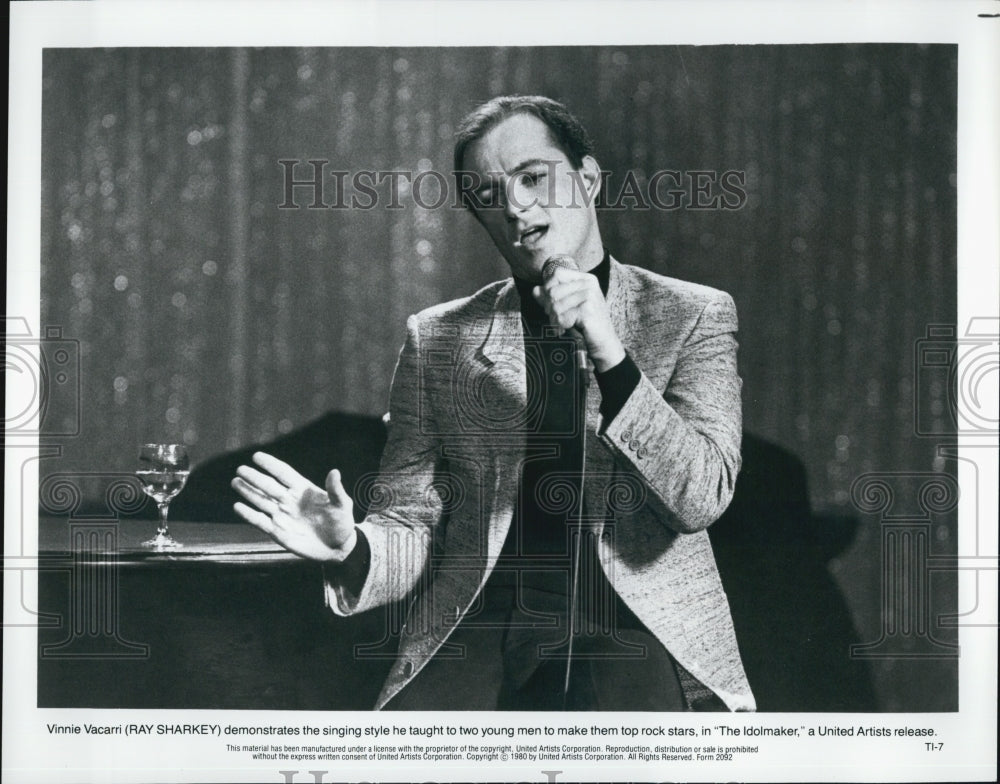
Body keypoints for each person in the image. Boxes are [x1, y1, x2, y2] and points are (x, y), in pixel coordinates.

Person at [232, 95, 755, 712]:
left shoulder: (693, 315)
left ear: (588, 179)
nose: (514, 206)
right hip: (480, 625)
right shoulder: (438, 337)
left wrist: (610, 354)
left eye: (534, 178)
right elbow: (411, 521)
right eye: (488, 195)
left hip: (631, 629)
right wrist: (352, 547)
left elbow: (701, 497)